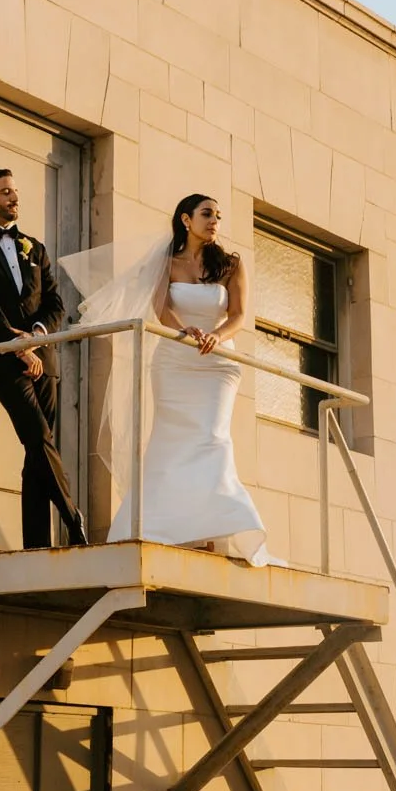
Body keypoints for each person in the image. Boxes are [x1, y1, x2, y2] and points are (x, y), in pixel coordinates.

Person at [66, 193, 275, 565]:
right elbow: (161, 309)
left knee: (211, 438)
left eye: (218, 216)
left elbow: (240, 314)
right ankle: (165, 529)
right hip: (175, 360)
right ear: (185, 220)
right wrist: (187, 333)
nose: (215, 221)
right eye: (207, 214)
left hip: (218, 363)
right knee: (170, 442)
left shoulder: (230, 264)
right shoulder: (167, 262)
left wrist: (216, 337)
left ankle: (217, 528)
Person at [0, 168, 88, 549]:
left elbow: (55, 303)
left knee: (38, 449)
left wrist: (35, 338)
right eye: (5, 192)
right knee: (37, 436)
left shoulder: (36, 248)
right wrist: (13, 343)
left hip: (42, 358)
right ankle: (72, 517)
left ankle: (36, 544)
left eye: (15, 190)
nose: (14, 197)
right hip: (3, 357)